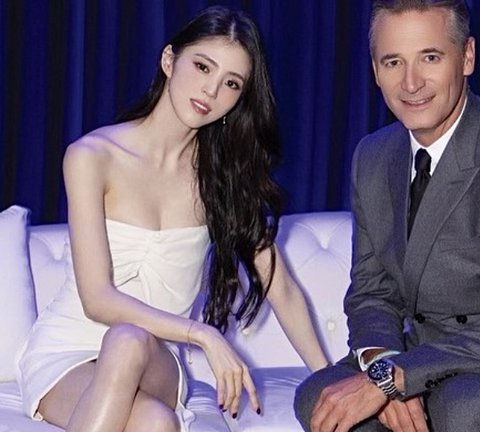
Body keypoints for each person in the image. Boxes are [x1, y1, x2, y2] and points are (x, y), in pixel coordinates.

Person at [16, 6, 328, 432]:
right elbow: (97, 299)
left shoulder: (224, 179)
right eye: (202, 66)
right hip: (67, 352)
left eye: (231, 83)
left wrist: (331, 382)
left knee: (129, 340)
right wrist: (203, 334)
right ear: (169, 60)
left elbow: (283, 289)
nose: (211, 90)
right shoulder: (92, 157)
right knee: (157, 423)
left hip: (157, 361)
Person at [294, 1, 480, 431]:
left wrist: (397, 377)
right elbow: (371, 292)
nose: (411, 83)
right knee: (321, 400)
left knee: (465, 408)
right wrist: (382, 363)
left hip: (470, 359)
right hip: (404, 350)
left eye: (430, 58)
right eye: (393, 62)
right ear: (376, 71)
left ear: (467, 56)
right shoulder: (374, 155)